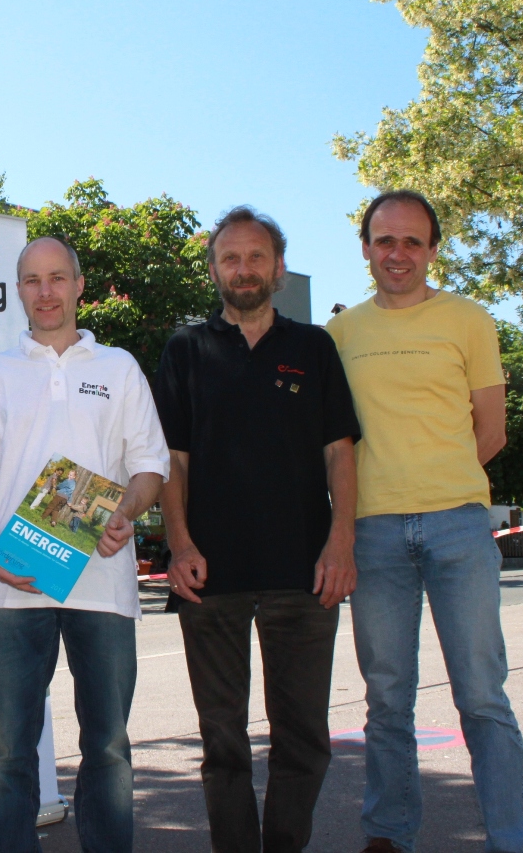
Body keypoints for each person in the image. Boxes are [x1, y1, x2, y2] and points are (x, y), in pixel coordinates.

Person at [0, 236, 170, 853]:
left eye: (57, 278)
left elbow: (149, 467)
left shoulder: (119, 368)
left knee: (108, 746)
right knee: (9, 749)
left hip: (104, 586)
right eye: (32, 280)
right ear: (18, 290)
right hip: (14, 587)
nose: (45, 292)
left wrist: (125, 511)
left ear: (78, 285)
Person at [326, 190, 523, 853]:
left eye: (412, 241)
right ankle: (388, 834)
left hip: (457, 527)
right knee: (386, 699)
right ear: (365, 248)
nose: (398, 253)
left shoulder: (469, 320)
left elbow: (491, 431)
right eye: (385, 240)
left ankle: (509, 839)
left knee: (481, 696)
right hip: (373, 533)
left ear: (432, 250)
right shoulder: (340, 335)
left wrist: (437, 482)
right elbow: (331, 442)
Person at [155, 206, 360, 853]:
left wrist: (341, 542)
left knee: (303, 738)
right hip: (208, 574)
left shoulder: (313, 347)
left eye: (255, 257)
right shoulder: (185, 348)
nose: (242, 269)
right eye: (230, 258)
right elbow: (171, 460)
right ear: (213, 270)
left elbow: (339, 452)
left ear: (277, 268)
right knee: (222, 741)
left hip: (304, 571)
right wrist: (179, 544)